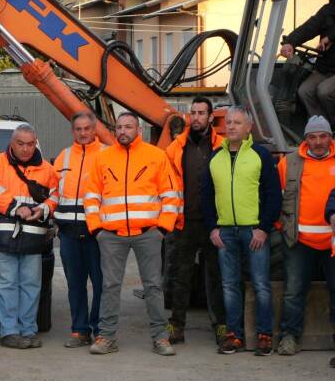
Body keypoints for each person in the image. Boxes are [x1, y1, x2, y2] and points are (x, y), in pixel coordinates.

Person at [84, 112, 181, 356]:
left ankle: (161, 337)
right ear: (115, 131)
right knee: (109, 286)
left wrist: (162, 228)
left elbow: (171, 194)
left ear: (138, 130)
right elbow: (91, 195)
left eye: (128, 126)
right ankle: (106, 337)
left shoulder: (156, 156)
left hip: (148, 233)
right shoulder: (102, 158)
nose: (123, 131)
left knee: (153, 286)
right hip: (111, 235)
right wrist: (96, 228)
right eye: (119, 127)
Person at [203, 105, 282, 355]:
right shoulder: (215, 157)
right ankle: (234, 336)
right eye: (228, 122)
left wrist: (263, 228)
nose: (231, 127)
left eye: (237, 123)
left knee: (260, 284)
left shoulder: (260, 155)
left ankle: (264, 335)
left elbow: (273, 195)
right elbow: (206, 196)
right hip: (225, 233)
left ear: (249, 127)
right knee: (229, 285)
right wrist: (213, 228)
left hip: (253, 231)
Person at [0, 124, 58, 349]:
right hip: (3, 238)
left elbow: (55, 196)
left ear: (36, 143)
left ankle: (29, 331)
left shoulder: (47, 169)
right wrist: (15, 207)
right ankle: (10, 332)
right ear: (12, 143)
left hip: (33, 239)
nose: (25, 149)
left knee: (31, 286)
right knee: (6, 285)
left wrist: (42, 210)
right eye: (20, 144)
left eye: (30, 144)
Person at [164, 97, 225, 345]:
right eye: (193, 112)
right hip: (184, 221)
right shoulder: (176, 148)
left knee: (217, 277)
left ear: (211, 117)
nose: (196, 117)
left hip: (215, 223)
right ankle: (176, 326)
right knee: (180, 276)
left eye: (201, 113)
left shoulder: (222, 146)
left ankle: (221, 325)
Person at [275, 116, 335, 356]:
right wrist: (283, 226)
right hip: (299, 241)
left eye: (323, 136)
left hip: (333, 242)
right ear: (305, 139)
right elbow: (278, 197)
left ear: (330, 137)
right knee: (293, 291)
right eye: (312, 137)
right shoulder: (289, 163)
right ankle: (290, 337)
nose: (318, 142)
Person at [53, 111, 106, 348]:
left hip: (98, 234)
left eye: (87, 128)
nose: (83, 133)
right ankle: (80, 331)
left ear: (94, 129)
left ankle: (100, 329)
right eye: (78, 129)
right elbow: (54, 192)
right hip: (68, 233)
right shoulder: (63, 157)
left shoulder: (106, 154)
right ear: (72, 130)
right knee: (75, 284)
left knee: (101, 284)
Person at [280, 3, 335, 123]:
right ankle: (320, 128)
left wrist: (330, 37)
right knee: (305, 91)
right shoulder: (329, 10)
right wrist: (290, 42)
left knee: (324, 91)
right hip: (325, 68)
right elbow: (309, 27)